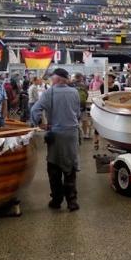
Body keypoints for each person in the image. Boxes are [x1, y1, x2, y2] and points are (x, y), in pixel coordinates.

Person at [31, 68, 81, 211]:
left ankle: (57, 200)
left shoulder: (49, 93)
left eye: (53, 78)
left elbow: (35, 110)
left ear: (58, 79)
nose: (51, 80)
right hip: (71, 134)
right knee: (70, 166)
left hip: (56, 134)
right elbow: (77, 113)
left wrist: (40, 122)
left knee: (54, 166)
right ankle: (72, 201)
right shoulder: (75, 92)